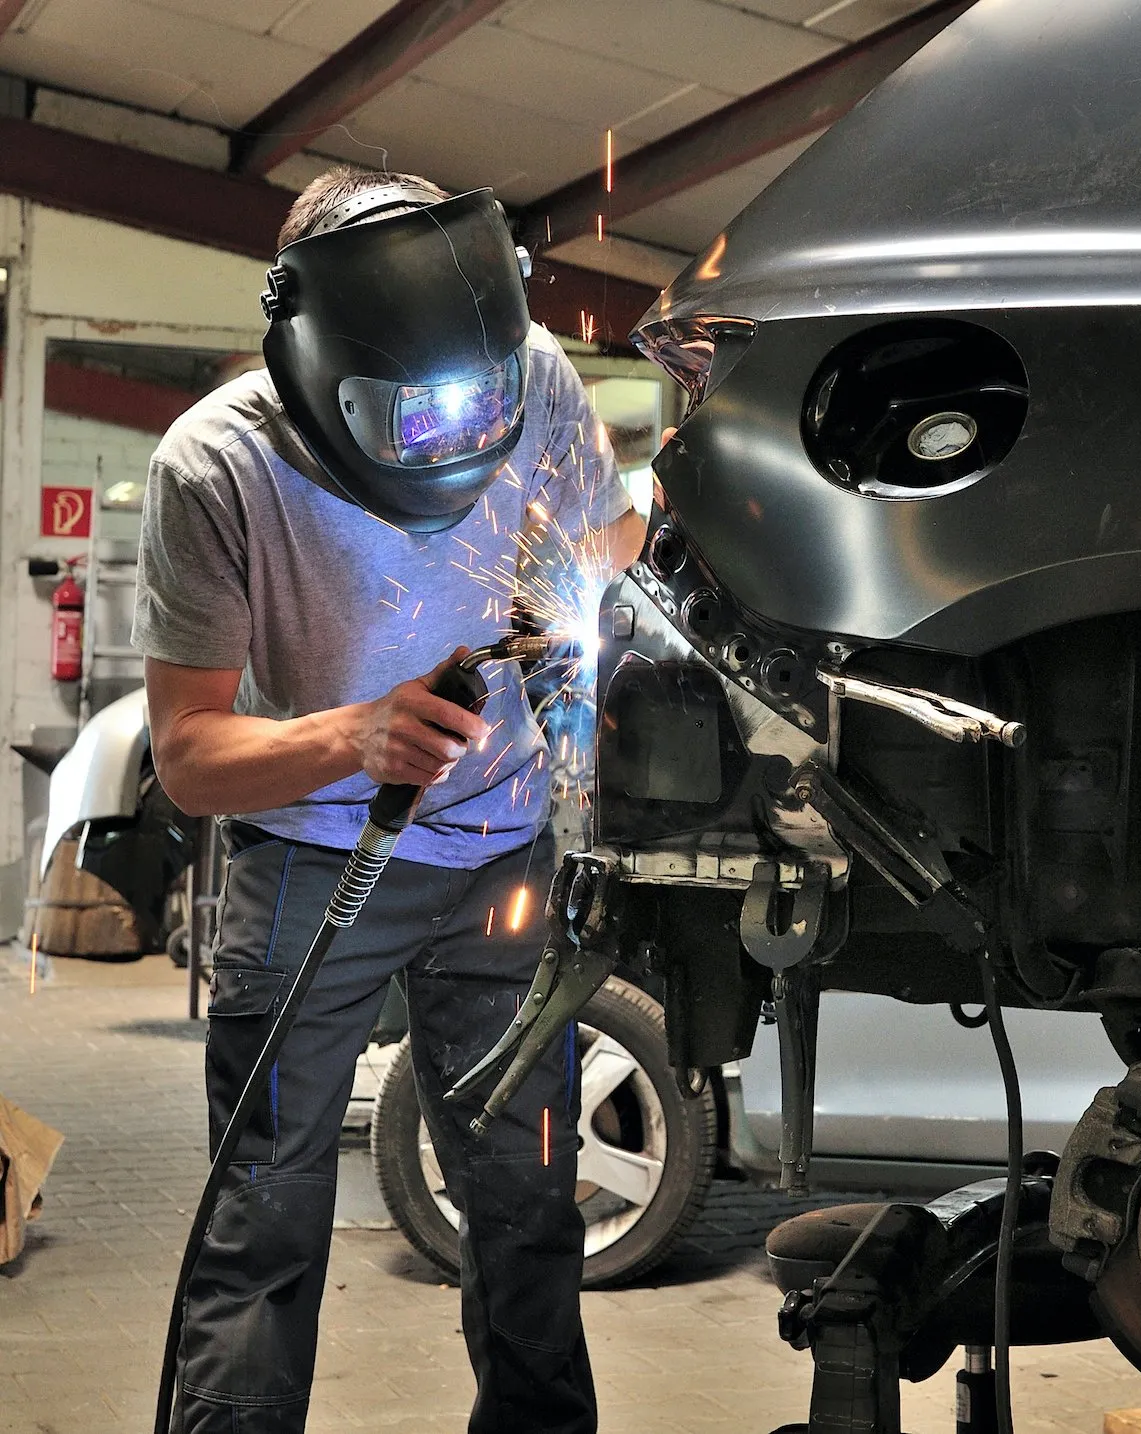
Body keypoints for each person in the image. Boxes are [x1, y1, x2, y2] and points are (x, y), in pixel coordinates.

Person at [135, 168, 644, 1434]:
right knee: (264, 1216)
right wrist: (353, 737)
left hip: (504, 857)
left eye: (478, 405)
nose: (454, 441)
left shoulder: (532, 376)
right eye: (411, 419)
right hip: (315, 863)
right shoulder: (216, 464)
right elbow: (188, 755)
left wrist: (563, 598)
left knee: (529, 1207)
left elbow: (611, 541)